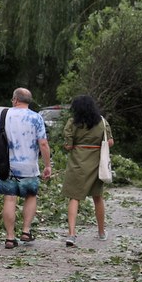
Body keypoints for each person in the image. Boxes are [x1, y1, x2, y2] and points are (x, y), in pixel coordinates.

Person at [0, 88, 52, 249]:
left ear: (15, 99)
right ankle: (26, 231)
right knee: (31, 196)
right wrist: (47, 165)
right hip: (29, 166)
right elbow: (43, 143)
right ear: (29, 101)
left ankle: (10, 238)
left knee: (9, 198)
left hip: (7, 166)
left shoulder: (4, 115)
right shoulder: (36, 118)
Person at [61, 95, 114, 247]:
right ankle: (101, 232)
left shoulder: (72, 123)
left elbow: (68, 146)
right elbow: (110, 142)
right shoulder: (102, 122)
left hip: (78, 163)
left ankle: (71, 234)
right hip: (97, 164)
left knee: (74, 197)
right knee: (98, 197)